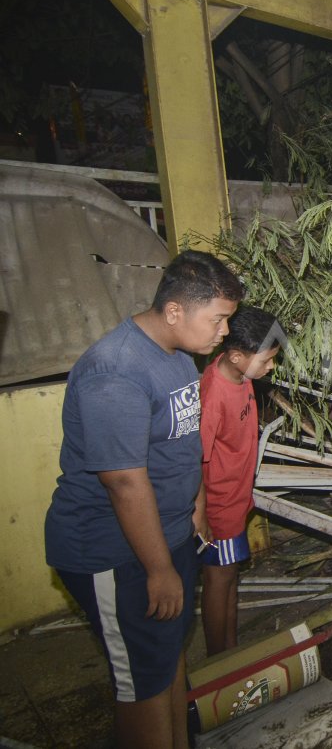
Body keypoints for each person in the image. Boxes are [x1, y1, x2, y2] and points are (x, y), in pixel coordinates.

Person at [45, 250, 242, 749]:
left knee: (167, 656)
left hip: (168, 535)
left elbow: (183, 442)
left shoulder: (176, 356)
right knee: (142, 685)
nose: (223, 332)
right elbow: (124, 482)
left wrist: (195, 506)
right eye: (217, 319)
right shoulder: (115, 371)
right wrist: (158, 569)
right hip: (117, 551)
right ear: (175, 311)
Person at [196, 306, 285, 657]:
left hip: (236, 498)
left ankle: (230, 648)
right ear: (235, 356)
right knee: (218, 581)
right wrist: (200, 514)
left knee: (230, 577)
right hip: (218, 506)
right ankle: (219, 658)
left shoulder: (240, 376)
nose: (271, 368)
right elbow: (196, 462)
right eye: (266, 361)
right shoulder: (213, 398)